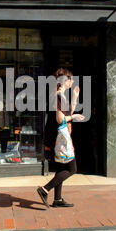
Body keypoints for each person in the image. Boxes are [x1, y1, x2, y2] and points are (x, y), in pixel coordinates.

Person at [37, 68, 85, 208]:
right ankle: (44, 189)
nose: (73, 81)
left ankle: (57, 199)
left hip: (60, 138)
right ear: (65, 81)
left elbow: (66, 113)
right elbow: (60, 119)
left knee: (61, 167)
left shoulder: (60, 96)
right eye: (71, 79)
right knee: (72, 168)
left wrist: (75, 98)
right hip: (59, 139)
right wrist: (75, 117)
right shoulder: (58, 96)